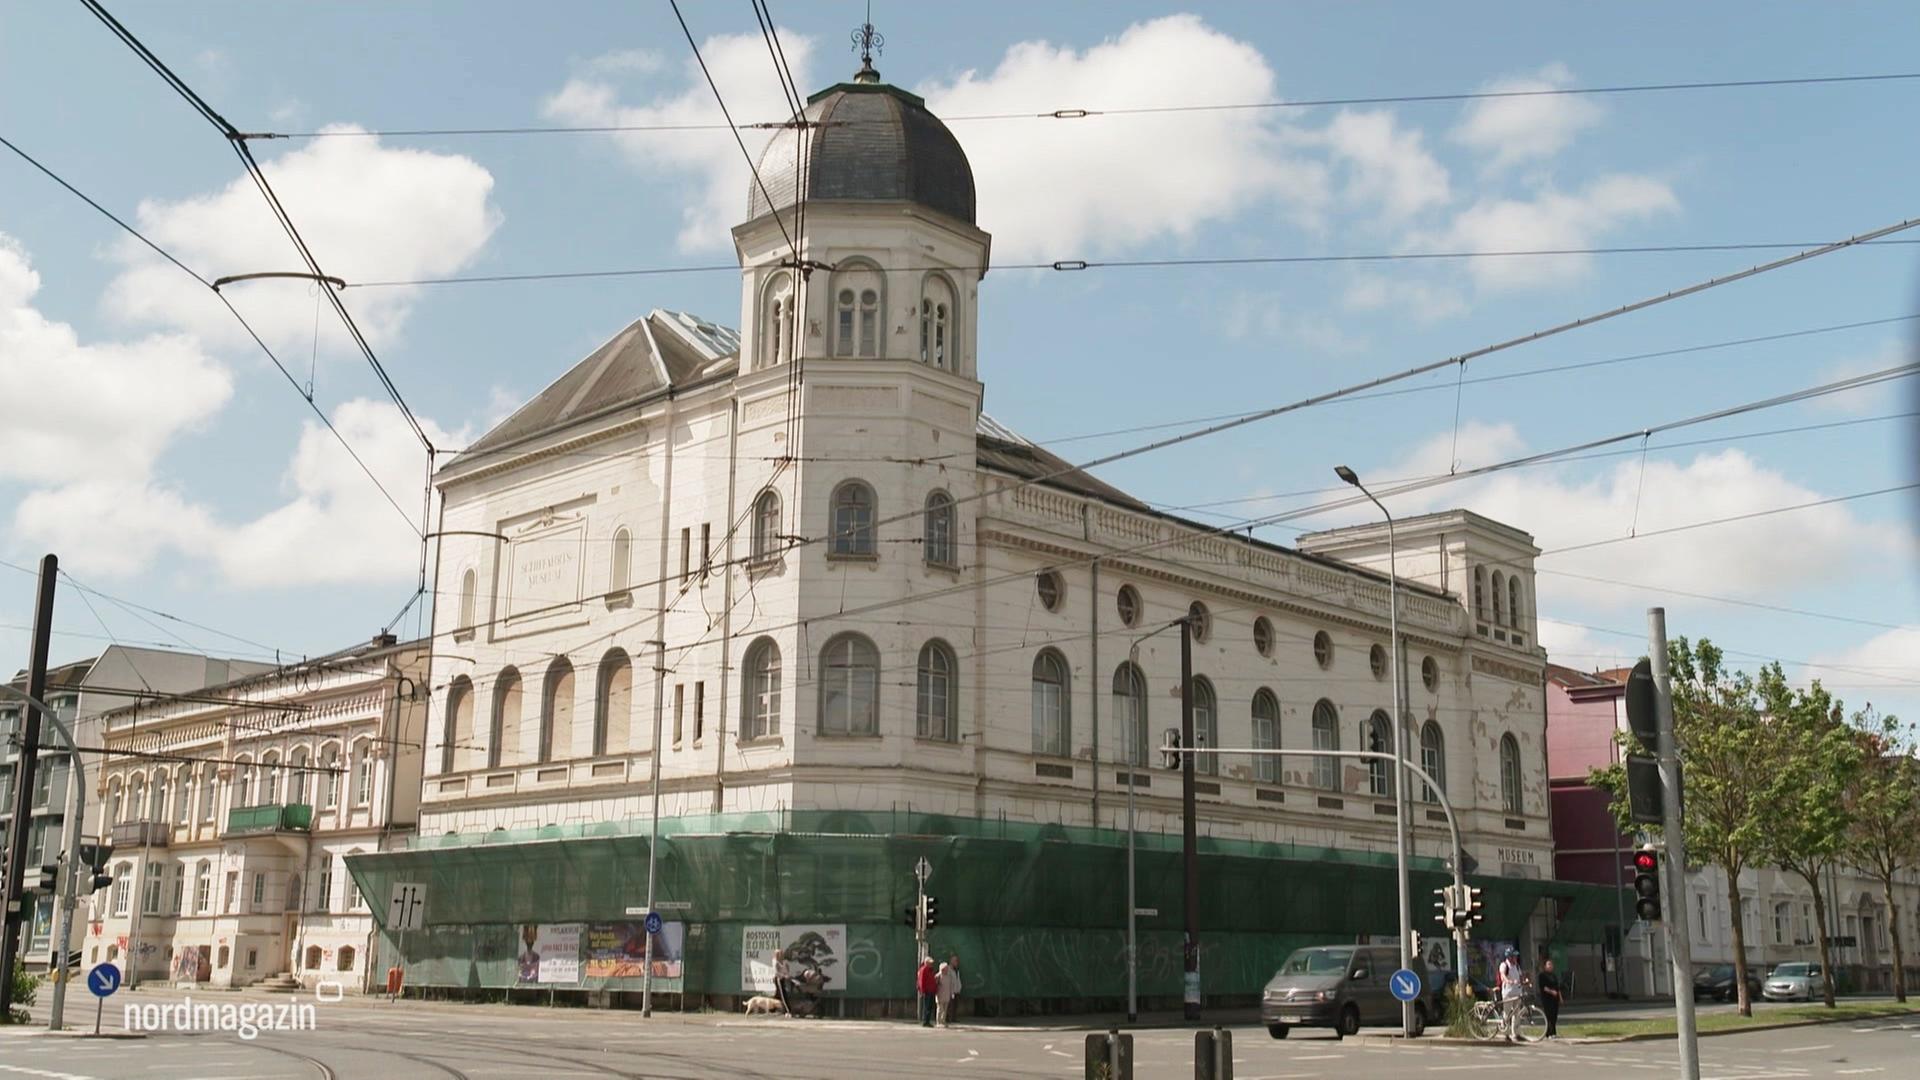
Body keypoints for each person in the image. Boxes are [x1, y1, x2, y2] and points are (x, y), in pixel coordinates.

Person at [1496, 949, 1526, 1041]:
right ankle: (1506, 1033)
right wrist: (1508, 981)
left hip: (1517, 992)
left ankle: (1516, 1033)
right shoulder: (1504, 965)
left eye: (1516, 956)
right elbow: (1502, 976)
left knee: (1517, 1014)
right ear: (1509, 957)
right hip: (1508, 993)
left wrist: (1524, 981)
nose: (1516, 958)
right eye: (1514, 956)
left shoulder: (1517, 966)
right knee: (1507, 1013)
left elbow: (1520, 977)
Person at [1537, 957, 1563, 1038]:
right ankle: (1549, 1033)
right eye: (1549, 964)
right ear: (1545, 966)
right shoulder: (1542, 975)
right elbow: (1543, 987)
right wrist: (1552, 992)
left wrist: (1560, 997)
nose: (1551, 966)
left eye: (1551, 964)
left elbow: (1557, 987)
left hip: (1555, 999)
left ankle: (1554, 1032)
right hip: (1547, 998)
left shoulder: (1554, 975)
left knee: (1554, 1015)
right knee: (1549, 1015)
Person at [936, 959, 963, 1026]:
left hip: (947, 995)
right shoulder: (938, 976)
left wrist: (952, 993)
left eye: (946, 969)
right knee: (940, 1009)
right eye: (945, 969)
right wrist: (936, 994)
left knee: (945, 1010)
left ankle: (943, 1021)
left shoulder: (948, 976)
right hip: (940, 995)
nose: (946, 970)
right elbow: (935, 986)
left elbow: (951, 985)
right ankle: (938, 1022)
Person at [915, 956, 938, 1027]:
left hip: (931, 991)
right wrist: (922, 990)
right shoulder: (924, 969)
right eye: (930, 963)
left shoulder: (930, 970)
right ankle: (925, 1021)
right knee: (927, 1007)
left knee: (929, 1006)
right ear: (926, 963)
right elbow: (921, 981)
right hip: (927, 991)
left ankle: (927, 1021)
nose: (932, 964)